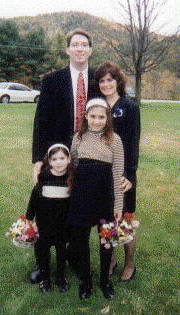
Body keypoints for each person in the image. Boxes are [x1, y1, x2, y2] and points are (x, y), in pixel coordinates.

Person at [31, 28, 95, 282]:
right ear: (67, 49)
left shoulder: (100, 79)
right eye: (75, 44)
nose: (80, 48)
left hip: (88, 157)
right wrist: (38, 159)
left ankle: (76, 257)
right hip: (56, 157)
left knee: (79, 209)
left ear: (90, 49)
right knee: (47, 210)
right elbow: (41, 121)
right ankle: (42, 263)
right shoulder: (52, 80)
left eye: (84, 44)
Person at [67, 98, 124, 300]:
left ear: (107, 118)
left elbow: (117, 173)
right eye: (93, 116)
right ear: (86, 116)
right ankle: (86, 279)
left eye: (101, 117)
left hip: (104, 195)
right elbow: (72, 164)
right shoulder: (78, 137)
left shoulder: (114, 140)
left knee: (105, 238)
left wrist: (118, 203)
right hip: (82, 194)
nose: (97, 121)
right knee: (80, 239)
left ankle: (104, 280)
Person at [94, 61, 141, 282]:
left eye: (110, 80)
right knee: (105, 220)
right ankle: (110, 259)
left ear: (117, 81)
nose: (106, 84)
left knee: (124, 220)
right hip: (101, 174)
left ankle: (129, 262)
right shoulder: (96, 106)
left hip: (122, 175)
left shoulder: (129, 107)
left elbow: (133, 143)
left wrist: (129, 175)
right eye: (102, 81)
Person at [26, 144, 72, 294]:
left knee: (61, 252)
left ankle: (60, 277)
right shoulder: (44, 177)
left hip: (62, 224)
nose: (59, 162)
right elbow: (34, 199)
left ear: (68, 159)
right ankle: (45, 279)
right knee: (43, 252)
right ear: (49, 162)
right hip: (44, 223)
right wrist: (29, 218)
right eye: (54, 159)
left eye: (62, 158)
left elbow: (74, 202)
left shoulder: (71, 178)